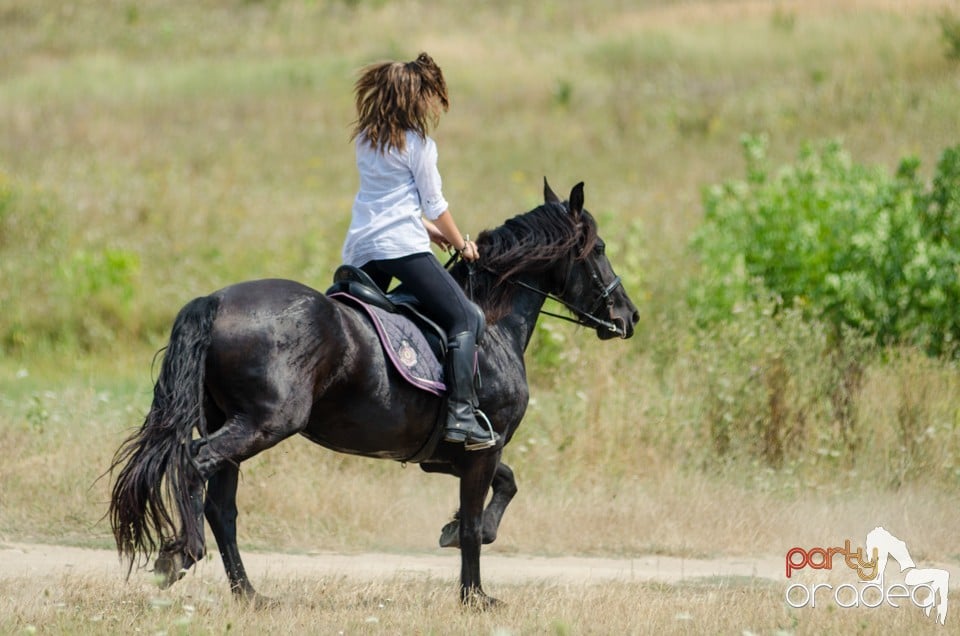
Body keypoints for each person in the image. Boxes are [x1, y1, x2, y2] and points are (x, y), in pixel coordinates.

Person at [342, 52, 497, 451]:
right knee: (465, 316)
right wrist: (461, 242)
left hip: (361, 250)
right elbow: (434, 204)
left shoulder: (365, 140)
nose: (432, 106)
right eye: (429, 97)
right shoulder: (419, 145)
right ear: (414, 98)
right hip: (400, 248)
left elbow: (385, 199)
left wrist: (429, 232)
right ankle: (461, 415)